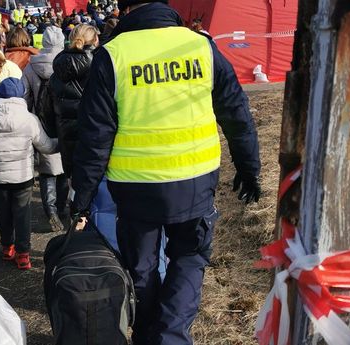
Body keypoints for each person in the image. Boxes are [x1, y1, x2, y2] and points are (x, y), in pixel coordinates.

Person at [70, 1, 262, 344]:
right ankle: (171, 336)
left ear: (127, 9)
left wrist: (82, 199)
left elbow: (95, 137)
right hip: (195, 183)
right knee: (188, 261)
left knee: (142, 269)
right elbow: (236, 112)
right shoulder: (200, 46)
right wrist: (249, 168)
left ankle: (147, 334)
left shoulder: (113, 55)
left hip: (135, 189)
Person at [0, 78, 57, 270]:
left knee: (2, 213)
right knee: (22, 214)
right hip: (22, 177)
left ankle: (8, 247)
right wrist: (61, 143)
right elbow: (46, 146)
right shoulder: (29, 119)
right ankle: (23, 254)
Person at [22, 26, 68, 232]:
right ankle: (62, 208)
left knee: (47, 170)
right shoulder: (67, 63)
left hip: (41, 123)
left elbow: (24, 97)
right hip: (64, 122)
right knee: (65, 168)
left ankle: (50, 211)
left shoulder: (31, 67)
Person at [46, 23, 99, 177]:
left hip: (66, 139)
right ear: (95, 40)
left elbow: (47, 109)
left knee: (75, 187)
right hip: (94, 137)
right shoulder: (99, 67)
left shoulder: (56, 71)